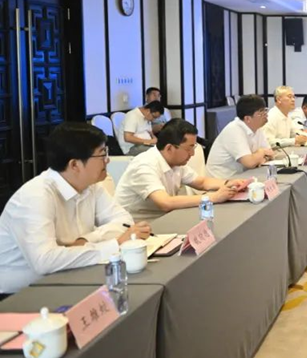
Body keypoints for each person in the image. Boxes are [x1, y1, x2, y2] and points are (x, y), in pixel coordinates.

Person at [0, 123, 151, 295]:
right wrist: (114, 244)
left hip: (69, 277)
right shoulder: (36, 196)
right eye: (102, 154)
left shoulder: (91, 186)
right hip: (20, 295)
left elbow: (124, 223)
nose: (107, 160)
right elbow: (44, 261)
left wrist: (85, 240)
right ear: (74, 165)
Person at [114, 119, 247, 221]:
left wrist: (229, 183)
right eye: (189, 148)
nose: (192, 154)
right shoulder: (144, 166)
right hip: (137, 228)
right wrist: (213, 197)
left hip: (163, 219)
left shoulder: (175, 162)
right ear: (169, 148)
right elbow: (165, 203)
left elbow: (202, 183)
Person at [205, 95, 275, 179]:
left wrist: (259, 158)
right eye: (261, 112)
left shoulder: (257, 128)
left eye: (265, 110)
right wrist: (261, 152)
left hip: (242, 176)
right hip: (221, 180)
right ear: (247, 118)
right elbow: (249, 162)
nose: (266, 114)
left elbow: (270, 154)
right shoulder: (234, 130)